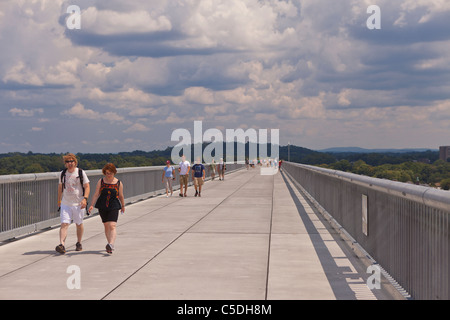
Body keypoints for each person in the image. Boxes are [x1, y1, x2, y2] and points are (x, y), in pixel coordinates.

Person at [56, 153, 90, 254]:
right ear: (65, 163)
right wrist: (59, 200)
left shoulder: (80, 172)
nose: (70, 163)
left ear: (75, 162)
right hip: (66, 203)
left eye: (72, 161)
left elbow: (87, 186)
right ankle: (62, 244)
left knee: (78, 224)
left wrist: (85, 199)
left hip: (78, 203)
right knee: (64, 223)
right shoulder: (62, 174)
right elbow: (60, 188)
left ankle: (79, 242)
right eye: (67, 162)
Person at [88, 163, 125, 254]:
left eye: (110, 173)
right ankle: (109, 244)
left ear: (114, 173)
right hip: (102, 205)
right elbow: (96, 194)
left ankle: (111, 244)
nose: (109, 175)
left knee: (112, 225)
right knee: (106, 225)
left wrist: (123, 206)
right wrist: (92, 205)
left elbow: (121, 195)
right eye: (107, 173)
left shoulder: (118, 183)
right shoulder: (101, 181)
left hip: (114, 205)